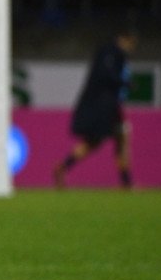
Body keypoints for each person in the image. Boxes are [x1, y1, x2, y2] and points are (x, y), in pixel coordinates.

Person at [53, 29, 139, 189]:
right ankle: (126, 182)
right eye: (131, 43)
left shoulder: (107, 52)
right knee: (121, 138)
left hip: (102, 105)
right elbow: (106, 74)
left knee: (95, 142)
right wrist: (125, 82)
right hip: (106, 106)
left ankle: (63, 166)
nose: (131, 47)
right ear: (123, 39)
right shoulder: (112, 53)